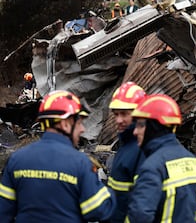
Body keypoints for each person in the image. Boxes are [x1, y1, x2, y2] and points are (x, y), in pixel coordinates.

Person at [0, 90, 116, 223]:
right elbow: (98, 210)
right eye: (78, 123)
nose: (82, 129)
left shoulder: (16, 160)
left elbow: (3, 212)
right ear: (64, 123)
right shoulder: (80, 163)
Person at [125, 94, 196, 223]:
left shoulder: (152, 166)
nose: (135, 131)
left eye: (140, 125)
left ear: (153, 127)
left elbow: (140, 215)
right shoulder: (192, 160)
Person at [108, 82, 147, 223]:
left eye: (124, 114)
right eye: (116, 114)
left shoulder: (142, 150)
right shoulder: (126, 146)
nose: (118, 120)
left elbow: (143, 205)